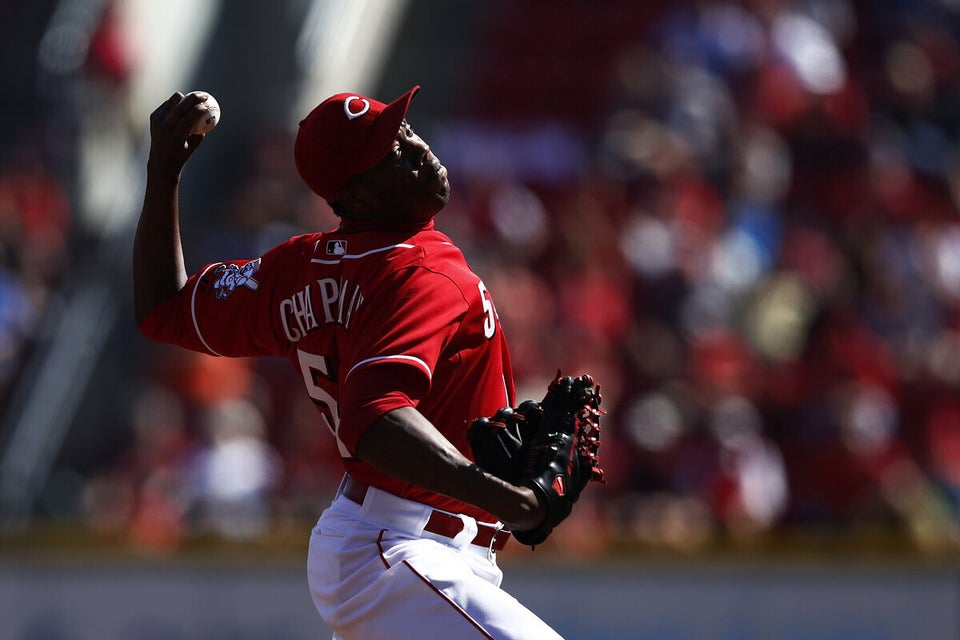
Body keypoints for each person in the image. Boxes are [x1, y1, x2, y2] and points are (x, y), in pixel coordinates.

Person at [133, 86, 565, 639]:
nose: (417, 149)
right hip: (403, 550)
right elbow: (374, 416)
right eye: (390, 151)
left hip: (392, 549)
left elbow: (162, 307)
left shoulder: (297, 268)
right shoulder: (420, 273)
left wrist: (164, 171)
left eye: (404, 131)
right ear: (354, 196)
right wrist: (514, 503)